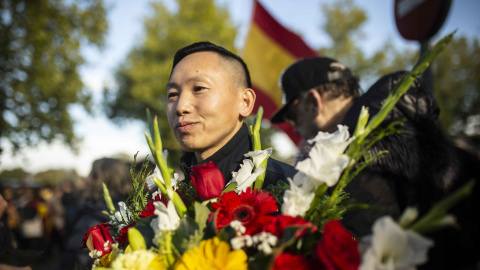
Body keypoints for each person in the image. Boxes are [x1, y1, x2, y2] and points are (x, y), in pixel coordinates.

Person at [270, 57, 480, 269]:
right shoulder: (416, 135)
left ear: (314, 101)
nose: (294, 127)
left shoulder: (355, 162)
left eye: (292, 115)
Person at [167, 41, 296, 188]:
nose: (181, 106)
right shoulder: (168, 203)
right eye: (173, 94)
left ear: (245, 102)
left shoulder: (290, 190)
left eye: (199, 88)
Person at [61, 158, 132, 270]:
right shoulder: (135, 209)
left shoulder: (91, 217)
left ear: (99, 180)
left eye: (91, 175)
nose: (87, 180)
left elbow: (76, 260)